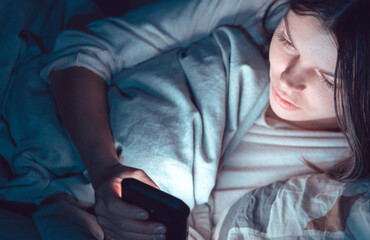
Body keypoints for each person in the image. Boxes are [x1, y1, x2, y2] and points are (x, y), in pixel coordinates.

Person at [41, 0, 369, 239]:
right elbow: (81, 50)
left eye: (330, 80)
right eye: (286, 41)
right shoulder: (255, 11)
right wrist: (104, 169)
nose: (286, 79)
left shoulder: (348, 166)